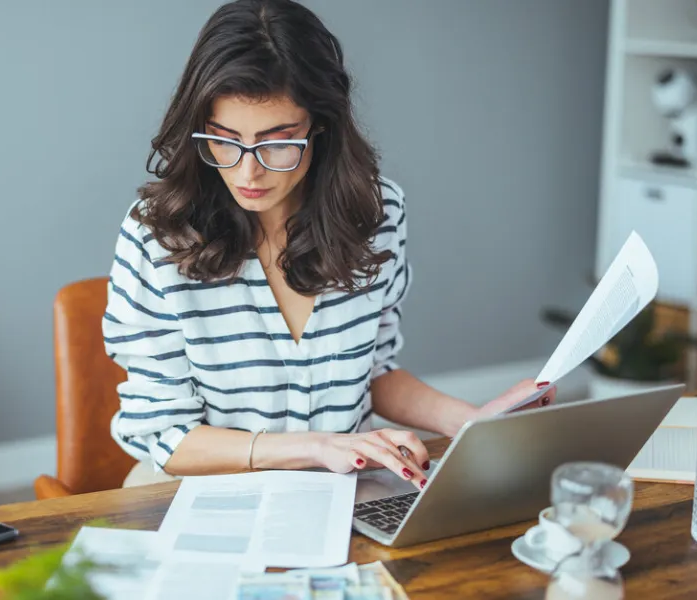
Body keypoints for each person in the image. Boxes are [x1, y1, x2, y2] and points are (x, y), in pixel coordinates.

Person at [102, 0, 555, 488]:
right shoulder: (157, 235)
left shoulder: (376, 214)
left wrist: (471, 421)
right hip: (201, 490)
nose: (247, 171)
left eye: (278, 142)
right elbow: (167, 435)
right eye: (224, 140)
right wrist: (316, 447)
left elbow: (374, 374)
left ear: (321, 125)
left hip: (338, 487)